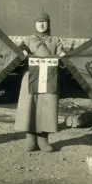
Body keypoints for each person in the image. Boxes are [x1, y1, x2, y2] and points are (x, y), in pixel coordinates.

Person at [14, 11, 66, 152]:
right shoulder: (28, 39)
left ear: (48, 24)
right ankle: (30, 139)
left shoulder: (55, 40)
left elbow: (62, 56)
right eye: (39, 22)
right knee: (30, 106)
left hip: (49, 78)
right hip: (31, 77)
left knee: (47, 107)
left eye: (44, 22)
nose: (42, 24)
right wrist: (22, 52)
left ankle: (43, 140)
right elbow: (19, 51)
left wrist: (63, 55)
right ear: (35, 24)